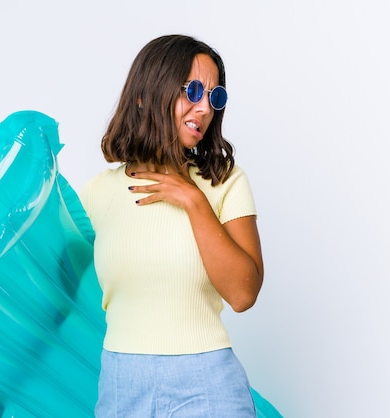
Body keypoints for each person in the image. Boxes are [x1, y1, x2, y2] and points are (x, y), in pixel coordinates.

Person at [79, 34, 264, 417]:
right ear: (146, 94)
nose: (204, 109)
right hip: (121, 385)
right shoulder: (98, 194)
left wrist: (194, 200)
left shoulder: (225, 182)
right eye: (193, 90)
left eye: (214, 98)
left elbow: (243, 294)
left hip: (208, 384)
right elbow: (51, 294)